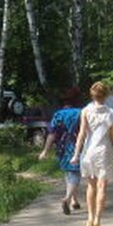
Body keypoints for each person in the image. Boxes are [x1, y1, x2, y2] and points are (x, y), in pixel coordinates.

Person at [71, 81, 113, 226]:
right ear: (106, 96)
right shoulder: (111, 113)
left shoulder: (85, 111)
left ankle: (90, 217)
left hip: (89, 152)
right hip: (104, 151)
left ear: (92, 95)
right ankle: (98, 220)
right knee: (102, 186)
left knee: (91, 186)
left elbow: (82, 134)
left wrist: (76, 154)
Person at [38, 86, 83, 215]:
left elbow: (52, 134)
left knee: (69, 173)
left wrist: (45, 150)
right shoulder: (81, 113)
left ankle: (74, 200)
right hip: (77, 146)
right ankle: (67, 199)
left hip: (62, 147)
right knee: (75, 173)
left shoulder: (58, 114)